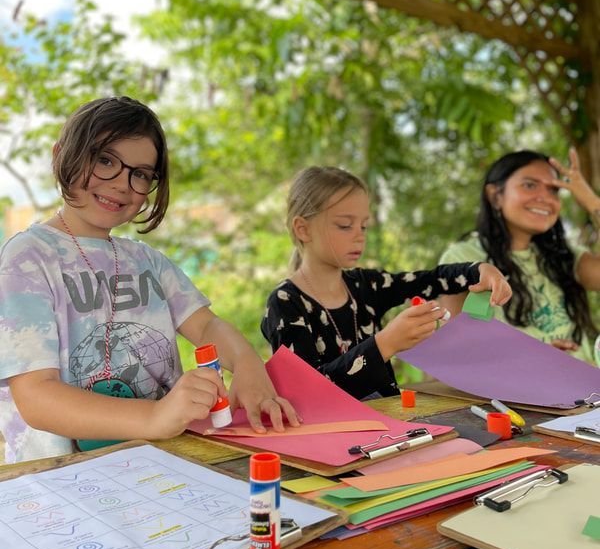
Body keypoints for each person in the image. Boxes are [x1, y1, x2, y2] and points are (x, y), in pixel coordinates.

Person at [0, 97, 299, 463]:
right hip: (61, 486)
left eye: (140, 173)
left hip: (160, 466)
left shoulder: (147, 261)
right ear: (62, 155)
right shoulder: (28, 259)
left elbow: (206, 327)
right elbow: (37, 398)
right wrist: (157, 415)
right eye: (105, 160)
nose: (122, 184)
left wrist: (250, 367)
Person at [261, 166, 511, 399]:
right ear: (303, 229)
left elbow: (430, 280)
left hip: (394, 427)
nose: (359, 236)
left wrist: (479, 271)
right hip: (334, 437)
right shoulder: (285, 303)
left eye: (364, 226)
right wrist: (385, 343)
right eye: (345, 225)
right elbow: (306, 393)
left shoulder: (366, 285)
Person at [440, 148, 600, 363]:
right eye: (530, 185)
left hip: (587, 392)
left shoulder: (564, 257)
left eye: (554, 190)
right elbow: (454, 352)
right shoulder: (464, 258)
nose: (545, 197)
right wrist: (531, 359)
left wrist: (592, 202)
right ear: (495, 196)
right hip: (515, 396)